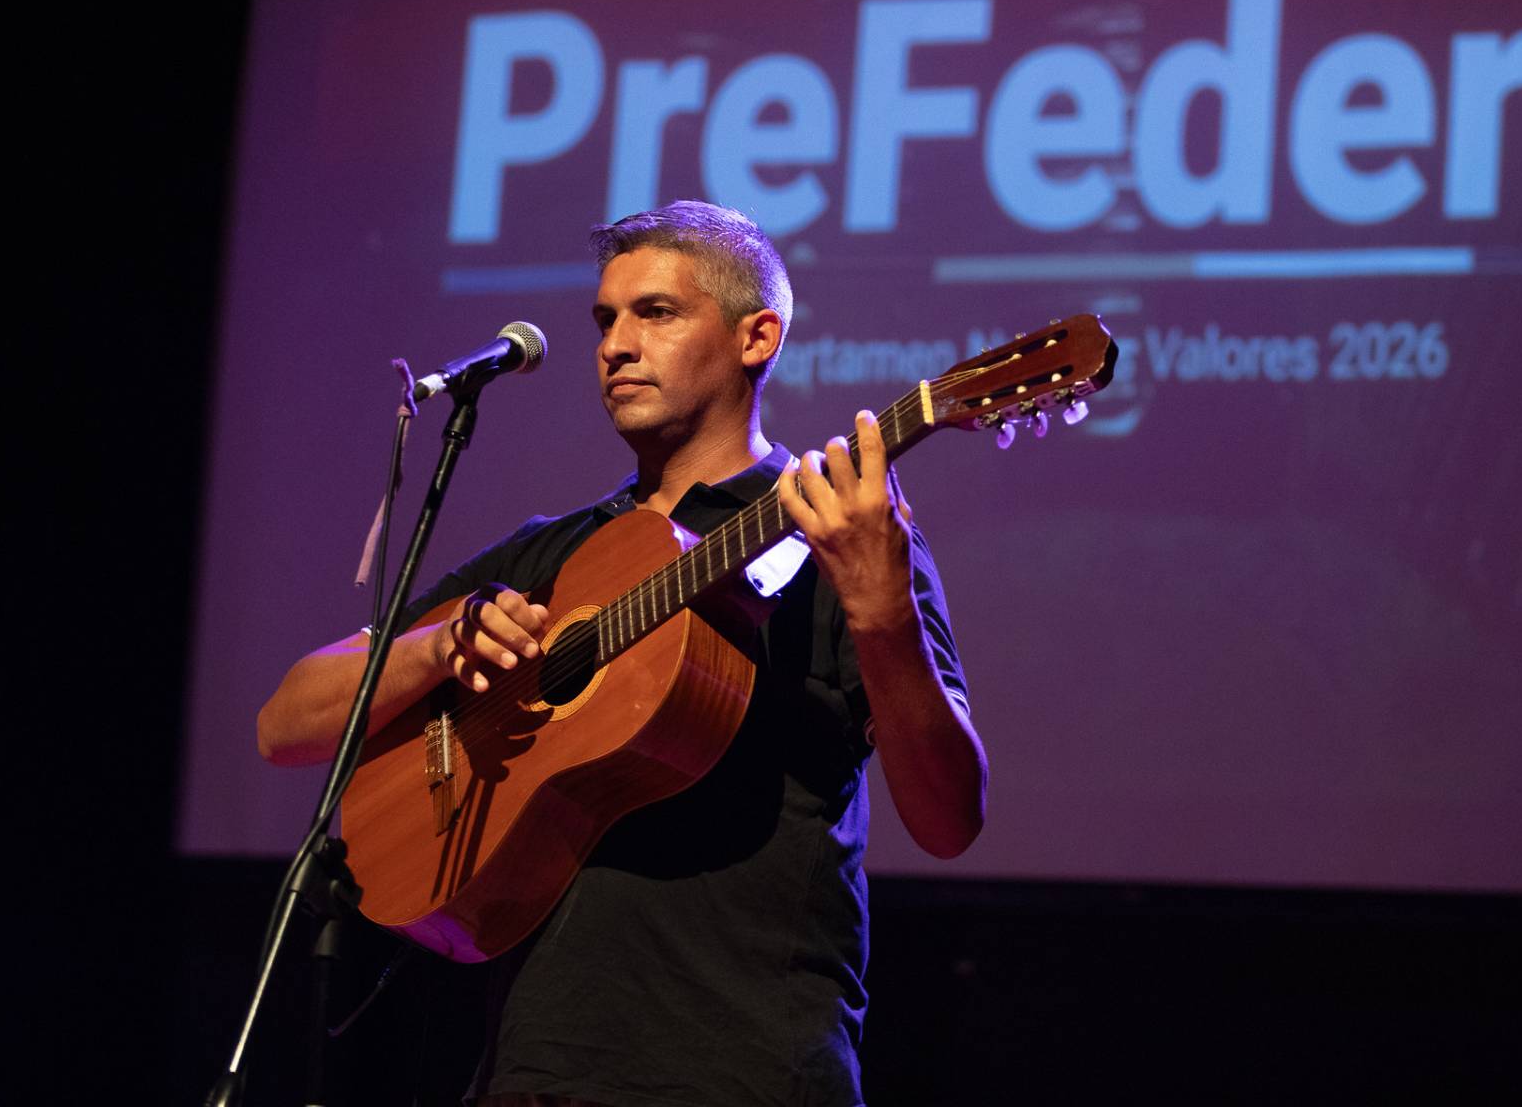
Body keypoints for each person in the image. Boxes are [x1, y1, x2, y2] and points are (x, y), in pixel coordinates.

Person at [256, 200, 987, 1106]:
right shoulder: (550, 554)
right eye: (606, 319)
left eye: (657, 313)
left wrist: (882, 616)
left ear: (759, 336)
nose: (616, 345)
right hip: (533, 1072)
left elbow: (950, 818)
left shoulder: (840, 534)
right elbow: (286, 722)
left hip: (747, 1073)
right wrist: (443, 647)